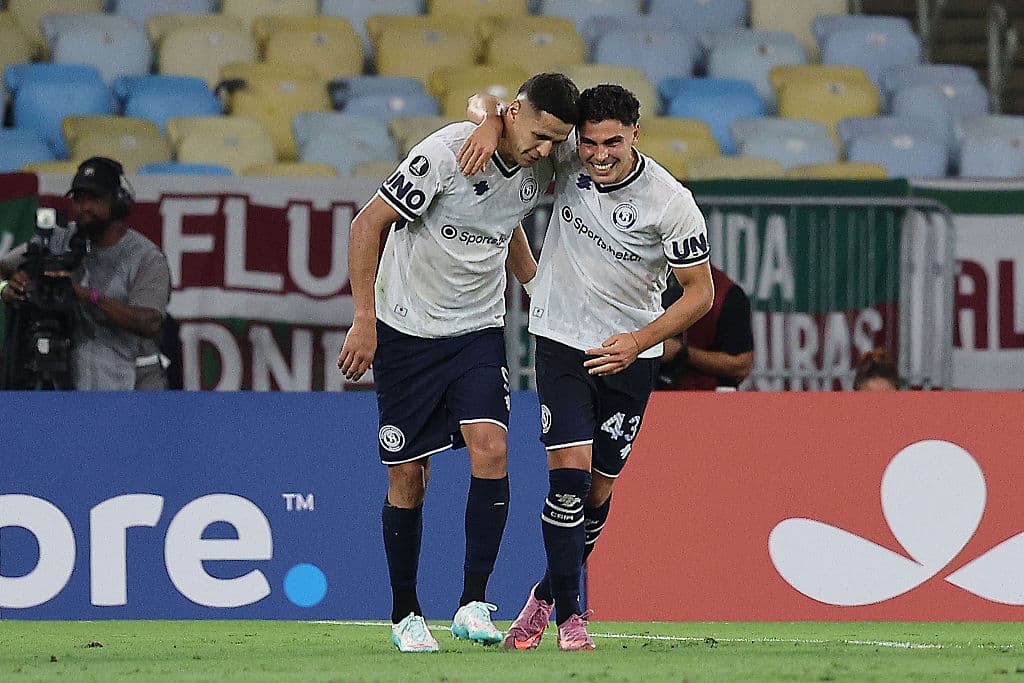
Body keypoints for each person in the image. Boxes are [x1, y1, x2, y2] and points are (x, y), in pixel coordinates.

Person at [462, 84, 714, 651]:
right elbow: (488, 101)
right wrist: (485, 124)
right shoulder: (568, 154)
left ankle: (546, 596)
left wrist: (639, 341)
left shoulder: (670, 203)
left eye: (612, 144)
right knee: (570, 482)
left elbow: (699, 295)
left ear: (635, 136)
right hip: (559, 340)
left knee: (598, 493)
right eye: (590, 143)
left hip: (629, 355)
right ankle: (572, 621)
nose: (598, 155)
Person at [336, 73, 580, 653]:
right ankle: (405, 613)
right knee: (408, 478)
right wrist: (364, 319)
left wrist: (535, 283)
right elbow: (366, 225)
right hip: (406, 331)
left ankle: (472, 602)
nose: (545, 150)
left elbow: (504, 222)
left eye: (554, 141)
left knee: (492, 450)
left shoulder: (535, 156)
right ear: (519, 113)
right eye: (540, 135)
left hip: (476, 330)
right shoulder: (446, 156)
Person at [0, 156, 171, 390]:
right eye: (79, 199)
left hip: (128, 389)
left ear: (119, 202)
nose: (84, 207)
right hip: (61, 383)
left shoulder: (145, 256)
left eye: (95, 198)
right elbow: (3, 269)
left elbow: (150, 322)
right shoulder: (58, 239)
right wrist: (7, 289)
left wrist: (86, 295)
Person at [657, 264, 753, 391]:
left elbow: (741, 365)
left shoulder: (725, 294)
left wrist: (681, 352)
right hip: (644, 392)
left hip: (705, 397)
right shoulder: (639, 282)